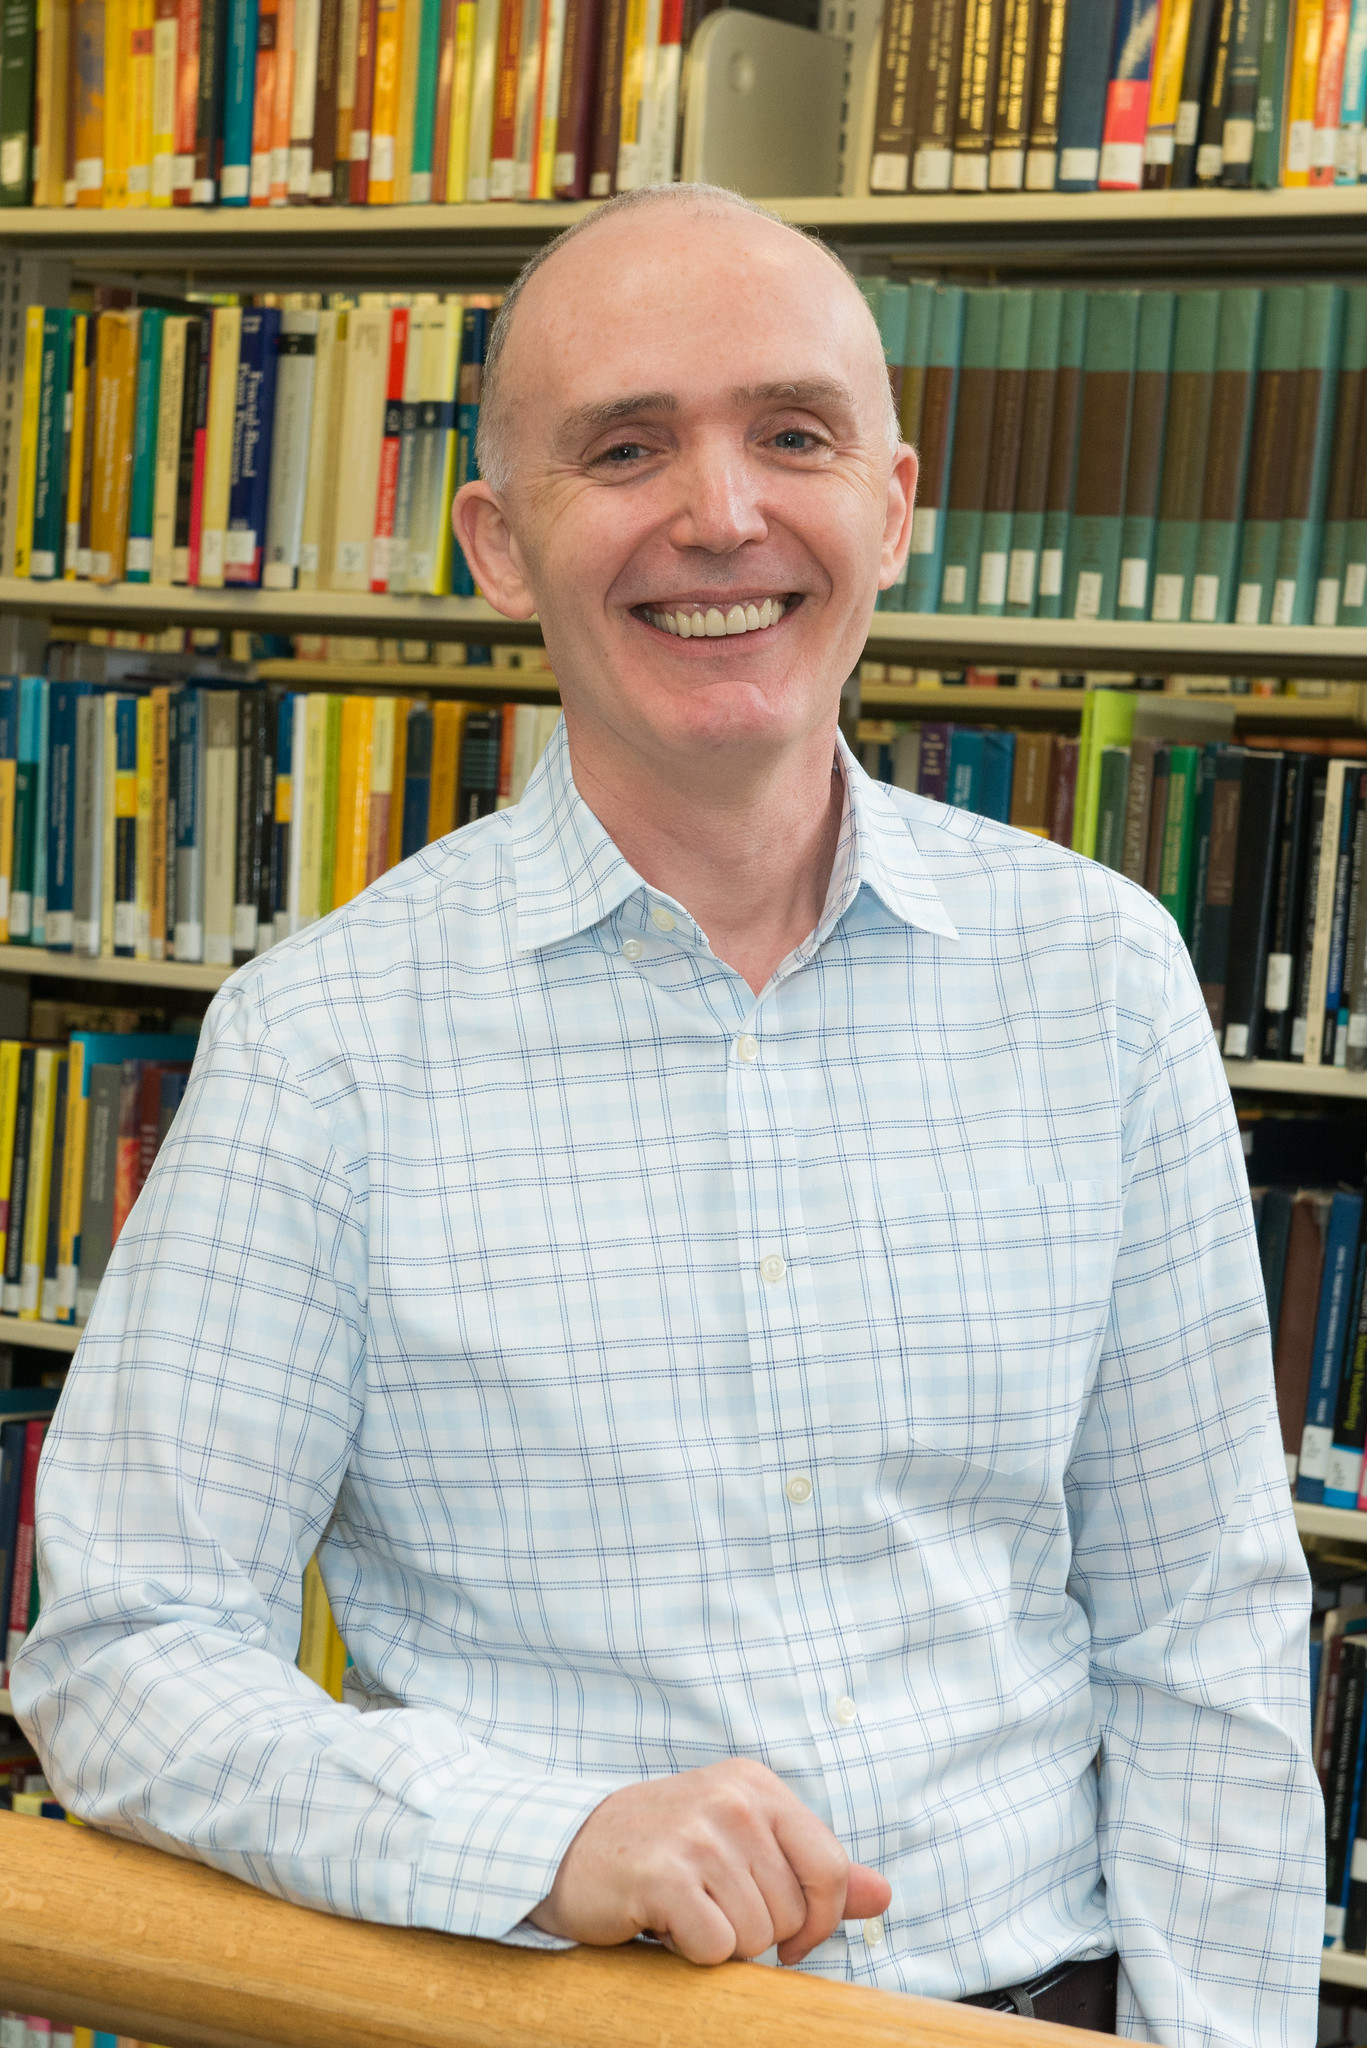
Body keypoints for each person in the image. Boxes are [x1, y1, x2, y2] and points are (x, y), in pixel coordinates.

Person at [13, 185, 1320, 2046]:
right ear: (495, 540)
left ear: (892, 499)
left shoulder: (1099, 980)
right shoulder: (327, 1046)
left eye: (793, 435)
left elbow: (1203, 1623)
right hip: (557, 2020)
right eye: (624, 448)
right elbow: (125, 1657)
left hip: (1050, 2012)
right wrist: (550, 1839)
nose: (721, 514)